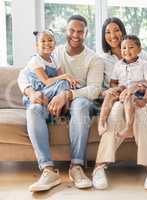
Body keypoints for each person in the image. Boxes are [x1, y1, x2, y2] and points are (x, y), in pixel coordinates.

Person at [17, 15, 104, 192]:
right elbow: (23, 75)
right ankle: (48, 170)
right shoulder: (54, 52)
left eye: (80, 31)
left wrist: (67, 94)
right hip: (51, 100)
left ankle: (76, 167)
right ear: (66, 31)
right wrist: (30, 92)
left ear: (86, 33)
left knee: (79, 105)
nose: (75, 34)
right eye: (72, 30)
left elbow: (94, 90)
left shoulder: (94, 59)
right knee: (33, 108)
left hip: (79, 99)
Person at [92, 17, 147, 191]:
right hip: (118, 98)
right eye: (107, 32)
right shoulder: (102, 59)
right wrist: (112, 91)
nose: (112, 35)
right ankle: (100, 166)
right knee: (114, 115)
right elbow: (99, 87)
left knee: (141, 114)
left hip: (137, 96)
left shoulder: (141, 57)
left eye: (116, 30)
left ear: (122, 31)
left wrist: (138, 87)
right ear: (103, 36)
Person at [98, 35, 147, 138]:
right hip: (123, 90)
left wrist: (145, 100)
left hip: (137, 91)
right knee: (109, 96)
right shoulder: (118, 65)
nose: (127, 50)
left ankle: (129, 128)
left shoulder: (143, 64)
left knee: (129, 97)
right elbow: (113, 82)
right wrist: (116, 88)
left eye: (131, 47)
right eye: (124, 48)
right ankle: (101, 123)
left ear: (139, 50)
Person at [22, 29, 79, 110]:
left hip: (49, 91)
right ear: (37, 45)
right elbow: (46, 81)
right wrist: (66, 76)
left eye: (50, 40)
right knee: (63, 83)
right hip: (38, 93)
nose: (47, 43)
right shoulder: (36, 60)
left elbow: (61, 79)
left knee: (65, 84)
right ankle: (60, 111)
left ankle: (60, 110)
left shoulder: (54, 60)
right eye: (43, 41)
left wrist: (71, 81)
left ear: (54, 43)